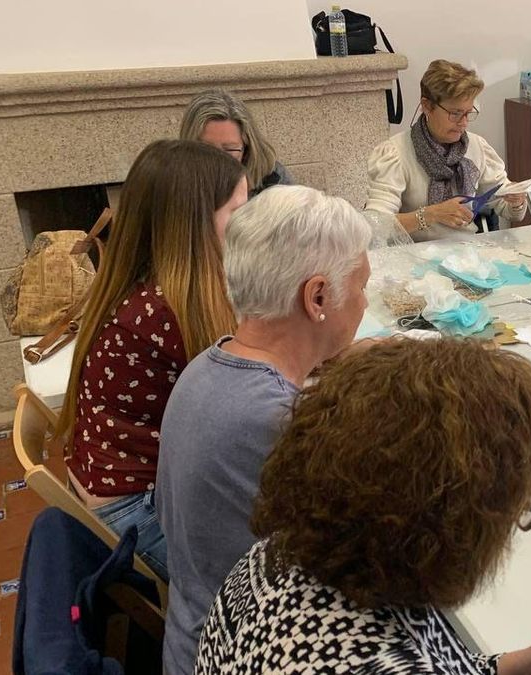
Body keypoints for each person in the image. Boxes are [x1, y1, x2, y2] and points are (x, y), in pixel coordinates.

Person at [194, 339, 531, 673]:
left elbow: (421, 654)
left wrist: (515, 663)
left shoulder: (277, 557)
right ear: (450, 525)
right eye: (518, 509)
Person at [156, 185, 373, 675]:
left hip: (201, 632)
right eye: (360, 285)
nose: (364, 302)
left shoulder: (206, 367)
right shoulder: (278, 420)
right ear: (317, 296)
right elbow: (376, 560)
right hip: (242, 655)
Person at [58, 140, 246, 579]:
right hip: (134, 513)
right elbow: (237, 413)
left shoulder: (155, 286)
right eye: (238, 214)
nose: (250, 227)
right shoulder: (164, 311)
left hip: (120, 489)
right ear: (194, 224)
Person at [366, 60, 528, 244]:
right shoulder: (395, 153)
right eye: (455, 113)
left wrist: (516, 200)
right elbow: (375, 226)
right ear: (427, 106)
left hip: (466, 253)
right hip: (413, 256)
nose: (464, 123)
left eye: (469, 113)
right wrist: (431, 214)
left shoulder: (477, 147)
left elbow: (508, 210)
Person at [179, 89, 292, 197]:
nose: (218, 161)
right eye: (206, 149)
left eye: (229, 150)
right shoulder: (173, 182)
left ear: (246, 149)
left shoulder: (274, 180)